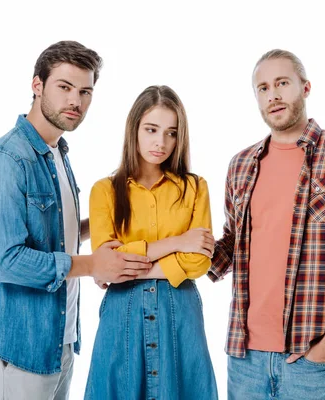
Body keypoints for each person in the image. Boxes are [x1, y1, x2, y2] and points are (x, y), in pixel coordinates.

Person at [0, 40, 152, 400]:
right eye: (64, 88)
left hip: (58, 337)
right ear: (37, 86)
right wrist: (94, 265)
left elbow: (53, 233)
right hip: (16, 345)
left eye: (85, 91)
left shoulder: (57, 153)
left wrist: (104, 226)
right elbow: (6, 261)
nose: (76, 102)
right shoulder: (7, 160)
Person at [209, 49, 325, 399]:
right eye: (262, 88)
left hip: (310, 357)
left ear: (305, 88)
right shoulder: (241, 165)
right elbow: (230, 248)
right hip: (245, 358)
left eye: (282, 83)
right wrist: (175, 245)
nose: (272, 94)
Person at [85, 85, 219, 400]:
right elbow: (105, 262)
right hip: (123, 314)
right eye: (151, 130)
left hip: (180, 314)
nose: (161, 142)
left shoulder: (195, 187)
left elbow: (200, 261)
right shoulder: (104, 190)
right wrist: (179, 241)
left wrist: (130, 267)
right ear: (134, 130)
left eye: (171, 133)